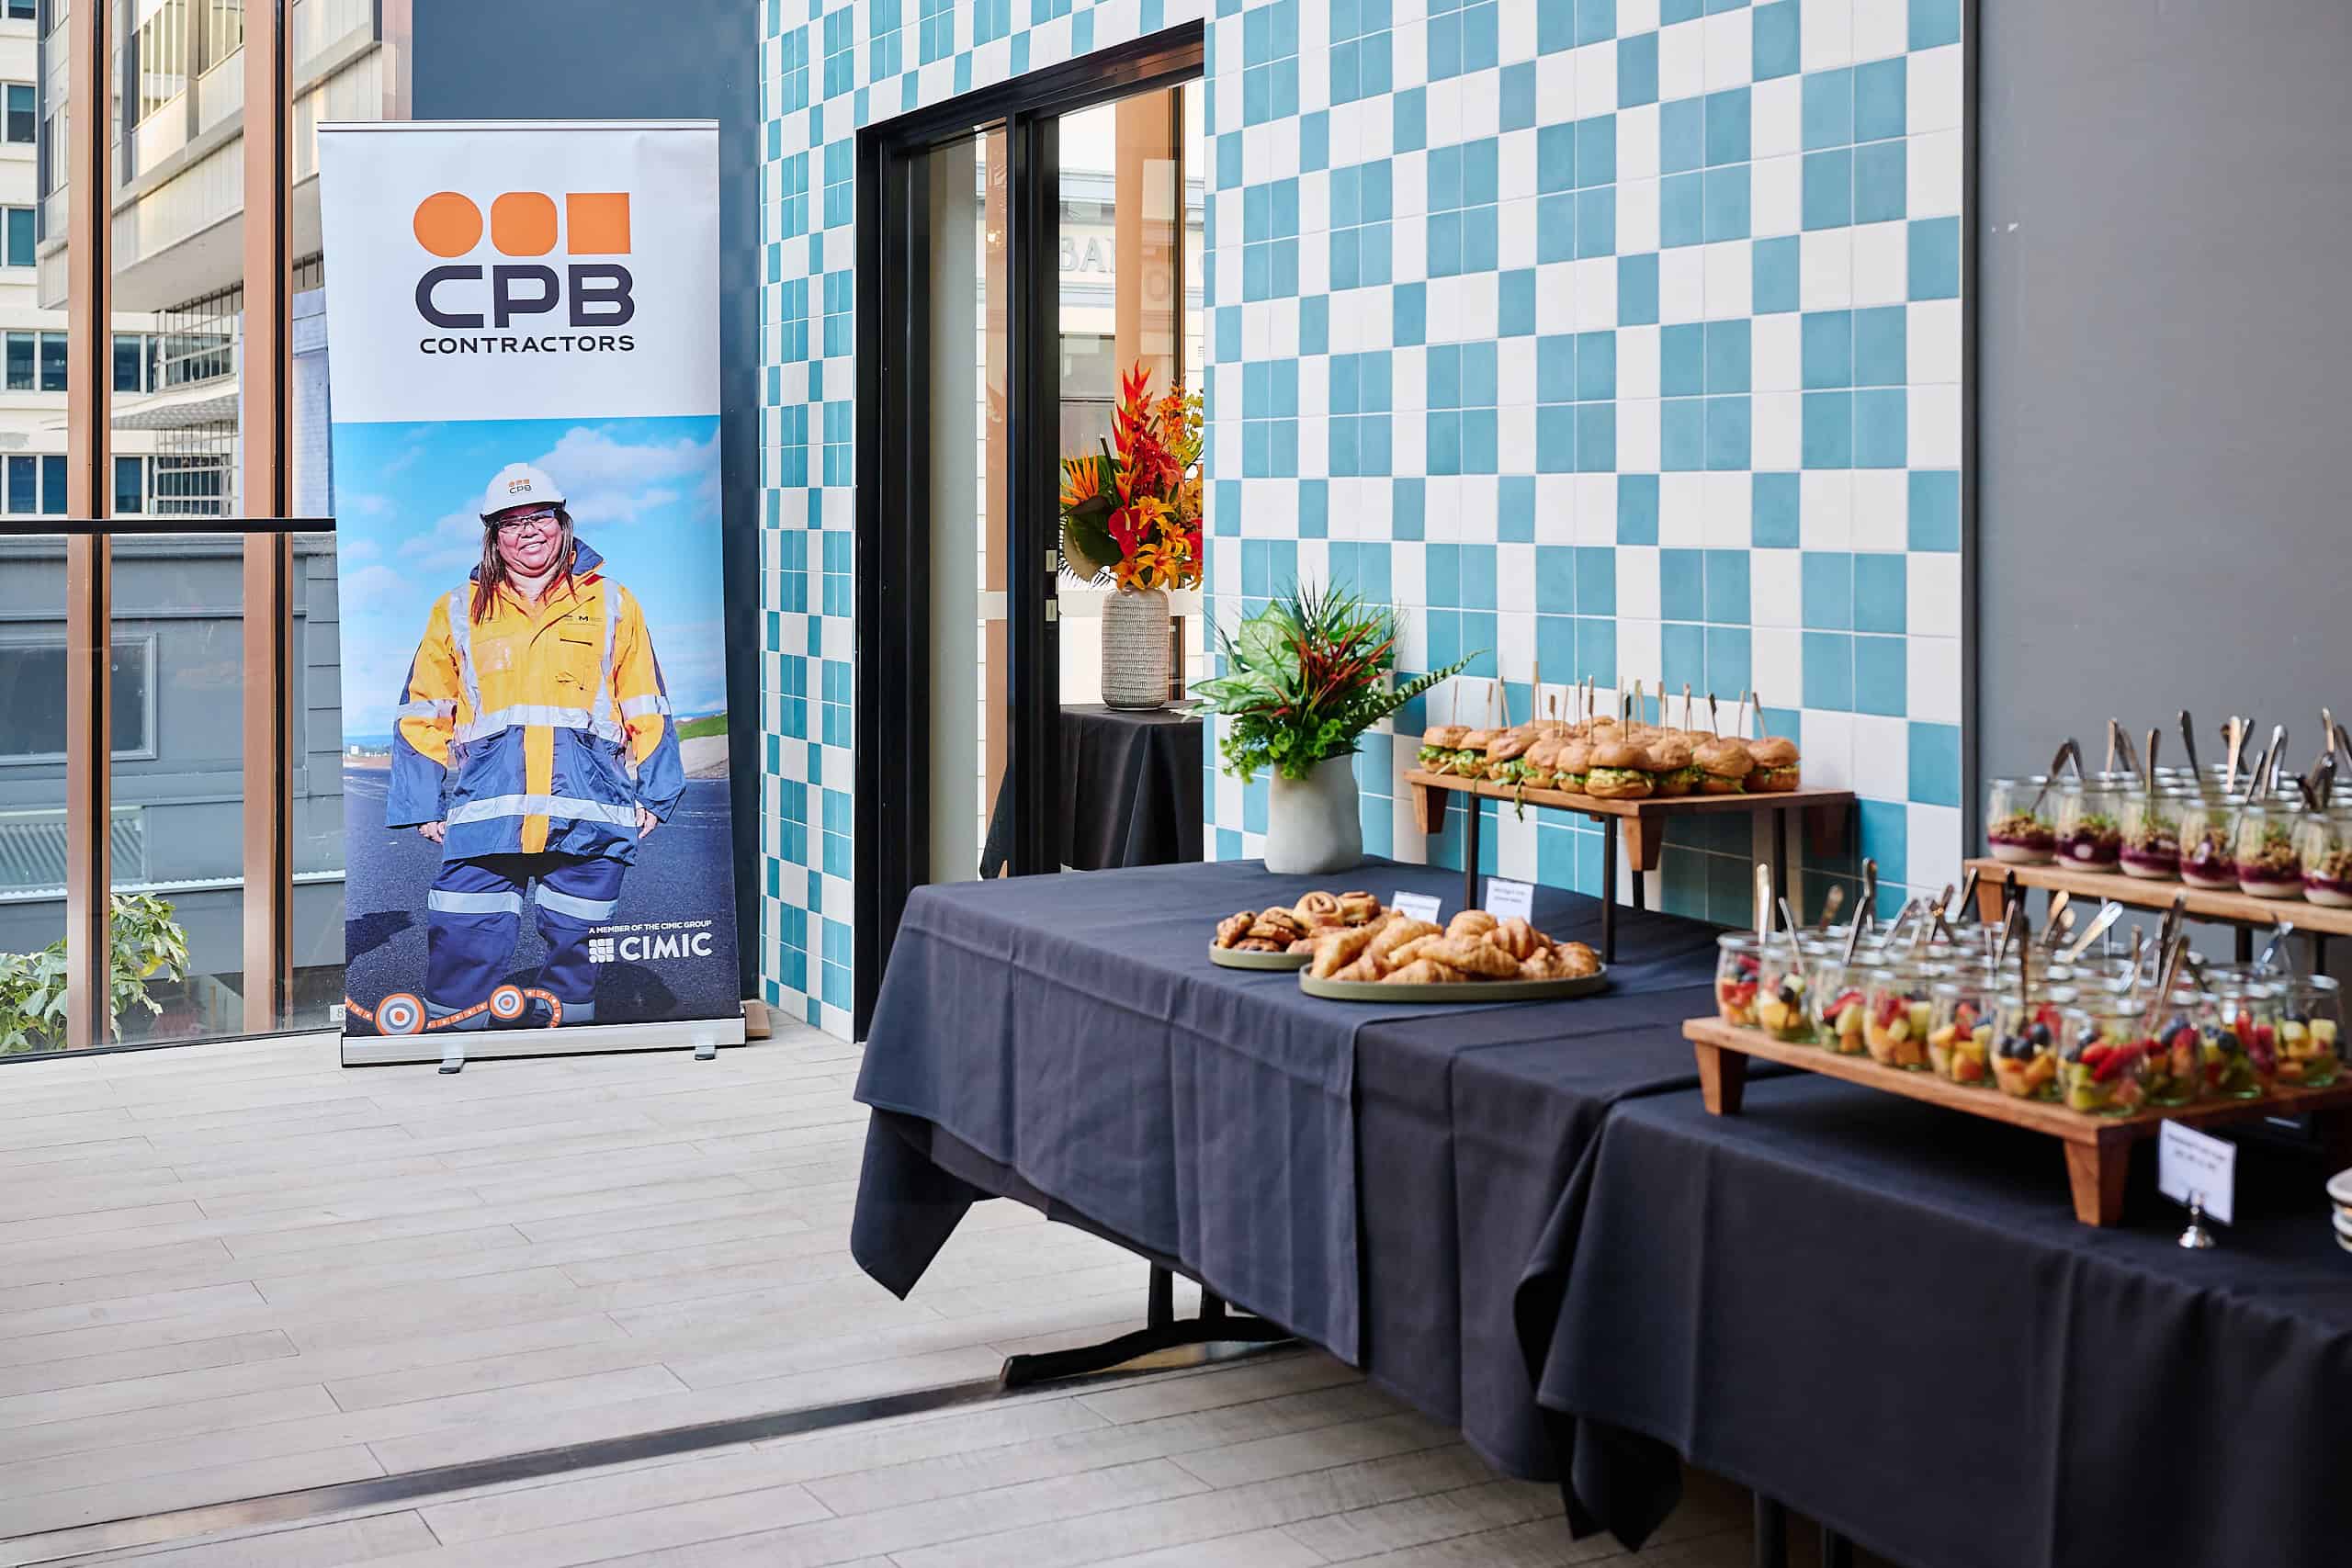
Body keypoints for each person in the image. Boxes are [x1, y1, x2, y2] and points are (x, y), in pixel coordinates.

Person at [383, 463, 684, 1030]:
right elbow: (424, 709)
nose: (528, 532)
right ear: (493, 535)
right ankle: (454, 1038)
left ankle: (569, 1046)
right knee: (463, 932)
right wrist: (423, 802)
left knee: (579, 944)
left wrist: (657, 792)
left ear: (561, 522)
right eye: (511, 522)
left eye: (539, 517)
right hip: (488, 811)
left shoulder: (613, 603)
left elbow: (645, 700)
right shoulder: (458, 608)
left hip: (587, 809)